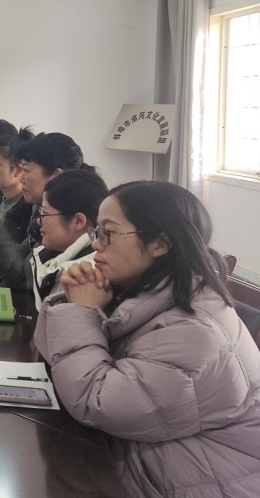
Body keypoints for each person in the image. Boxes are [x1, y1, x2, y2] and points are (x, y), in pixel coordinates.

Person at [34, 181, 260, 496]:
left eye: (108, 233)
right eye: (97, 231)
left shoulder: (195, 332)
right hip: (148, 463)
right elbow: (53, 355)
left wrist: (81, 311)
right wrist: (73, 301)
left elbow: (96, 402)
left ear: (159, 244)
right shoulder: (142, 292)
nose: (96, 244)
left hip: (203, 484)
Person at [0, 132, 90, 290]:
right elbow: (22, 251)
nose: (21, 178)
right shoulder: (40, 207)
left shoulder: (65, 217)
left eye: (26, 170)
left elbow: (22, 277)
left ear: (56, 176)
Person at [29, 170, 107, 309]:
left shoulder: (85, 278)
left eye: (44, 213)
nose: (39, 221)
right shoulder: (54, 258)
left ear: (78, 221)